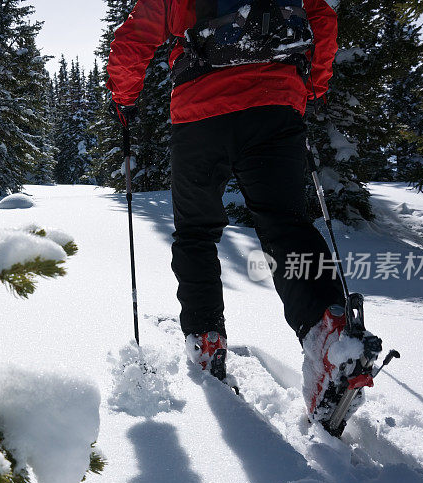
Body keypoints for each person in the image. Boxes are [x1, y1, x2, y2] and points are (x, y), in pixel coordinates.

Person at [107, 0, 366, 425]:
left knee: (195, 232)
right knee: (287, 226)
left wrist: (124, 99)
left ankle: (206, 339)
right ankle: (329, 336)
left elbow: (135, 36)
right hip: (276, 104)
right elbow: (322, 18)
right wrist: (313, 86)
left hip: (199, 111)